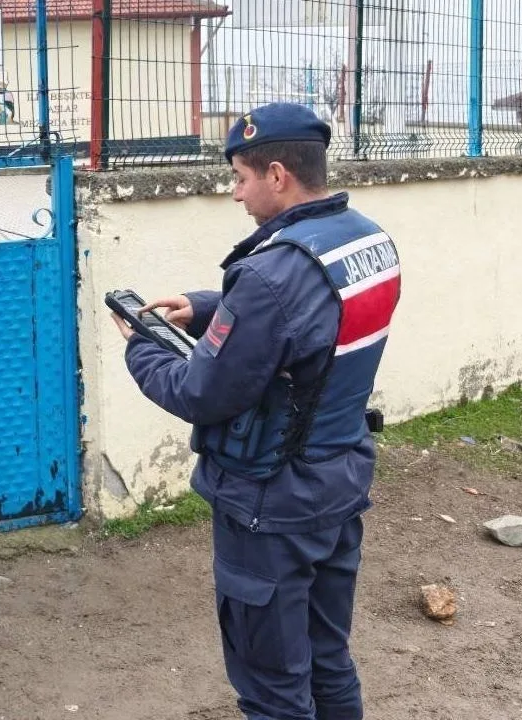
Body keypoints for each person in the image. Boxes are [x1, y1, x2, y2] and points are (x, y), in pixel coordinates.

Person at [111, 102, 401, 720]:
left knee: (272, 686)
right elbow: (308, 322)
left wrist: (140, 346)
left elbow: (201, 393)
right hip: (340, 478)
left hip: (271, 503)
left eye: (240, 178)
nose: (236, 195)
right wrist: (206, 305)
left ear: (277, 175)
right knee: (329, 658)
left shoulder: (272, 273)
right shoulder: (367, 240)